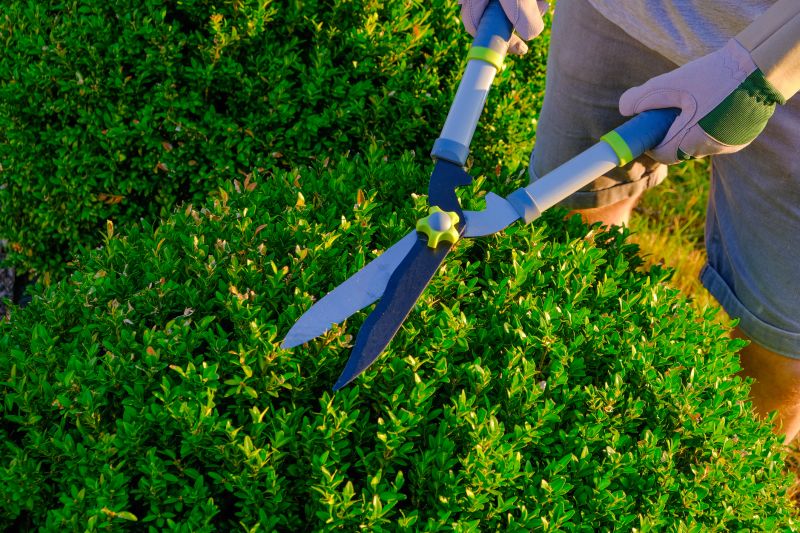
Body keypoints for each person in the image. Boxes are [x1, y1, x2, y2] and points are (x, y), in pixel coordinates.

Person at [460, 0, 800, 442]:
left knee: (779, 347)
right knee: (578, 214)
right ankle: (577, 389)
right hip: (622, 12)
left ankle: (731, 468)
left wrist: (768, 67)